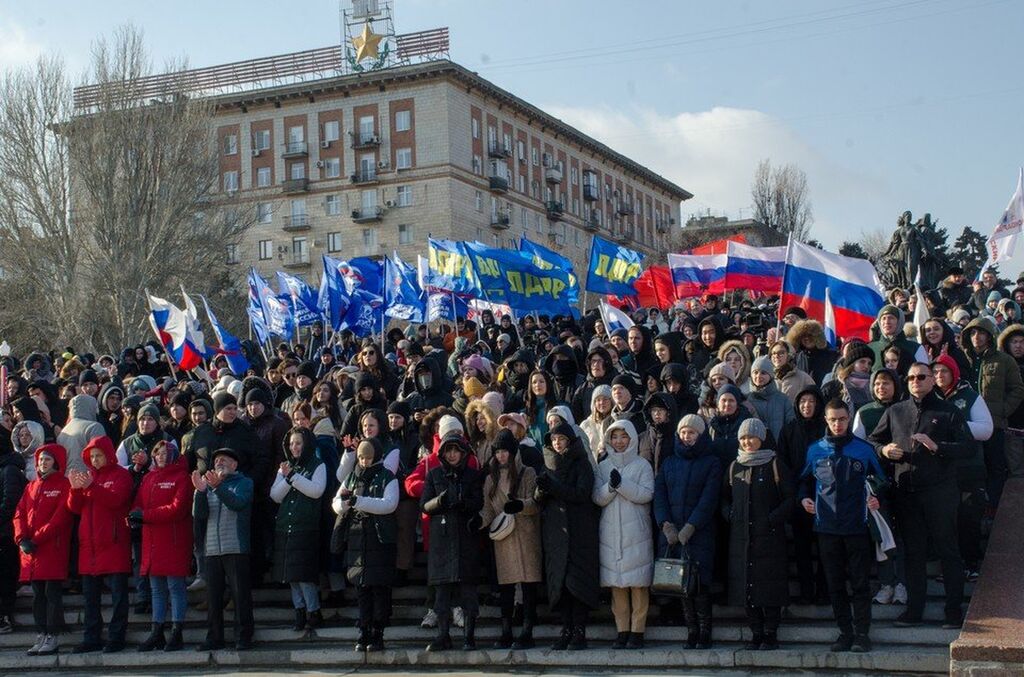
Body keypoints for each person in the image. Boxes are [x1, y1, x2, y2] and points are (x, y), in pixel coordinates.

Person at [869, 362, 973, 629]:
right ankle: (914, 610)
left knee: (948, 551)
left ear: (932, 380)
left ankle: (953, 610)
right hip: (906, 494)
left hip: (940, 493)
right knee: (913, 554)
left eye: (921, 377)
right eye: (911, 377)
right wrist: (884, 450)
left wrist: (938, 447)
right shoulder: (895, 411)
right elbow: (872, 441)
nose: (916, 381)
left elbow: (968, 447)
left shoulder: (948, 411)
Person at [801, 399, 885, 653]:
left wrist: (876, 496)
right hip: (826, 527)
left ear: (849, 419)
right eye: (833, 420)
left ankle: (862, 634)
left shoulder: (864, 449)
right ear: (825, 420)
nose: (838, 424)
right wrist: (803, 498)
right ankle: (844, 632)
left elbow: (881, 480)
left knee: (860, 583)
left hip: (856, 526)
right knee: (834, 584)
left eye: (842, 419)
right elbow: (803, 482)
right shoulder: (815, 450)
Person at [721, 418, 795, 651]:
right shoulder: (735, 466)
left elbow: (790, 498)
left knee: (770, 587)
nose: (747, 442)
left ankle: (770, 632)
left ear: (761, 438)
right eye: (743, 438)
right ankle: (756, 632)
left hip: (769, 537)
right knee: (747, 585)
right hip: (741, 537)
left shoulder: (775, 464)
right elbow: (723, 498)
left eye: (751, 437)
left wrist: (773, 518)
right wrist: (730, 514)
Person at [653, 414, 721, 648]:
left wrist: (691, 526)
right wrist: (666, 525)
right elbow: (659, 496)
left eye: (692, 432)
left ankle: (704, 632)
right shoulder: (669, 462)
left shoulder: (711, 462)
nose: (687, 436)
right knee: (680, 584)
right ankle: (691, 631)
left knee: (699, 585)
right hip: (672, 534)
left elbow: (709, 498)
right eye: (683, 432)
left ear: (700, 435)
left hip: (699, 533)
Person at [536, 422, 599, 650]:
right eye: (554, 440)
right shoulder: (547, 465)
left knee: (577, 584)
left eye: (561, 439)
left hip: (579, 533)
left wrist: (553, 488)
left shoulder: (582, 464)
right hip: (556, 533)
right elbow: (539, 499)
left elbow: (582, 493)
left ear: (570, 441)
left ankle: (579, 631)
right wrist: (541, 489)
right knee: (560, 584)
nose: (557, 443)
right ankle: (566, 630)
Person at [67, 435, 133, 654]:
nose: (95, 460)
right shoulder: (89, 476)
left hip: (113, 543)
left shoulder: (121, 475)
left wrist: (92, 486)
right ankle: (91, 637)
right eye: (92, 456)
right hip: (90, 547)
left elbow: (117, 500)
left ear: (108, 455)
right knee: (90, 599)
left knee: (118, 597)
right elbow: (75, 508)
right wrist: (75, 489)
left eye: (98, 455)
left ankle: (117, 637)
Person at [333, 438, 399, 653]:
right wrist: (345, 504)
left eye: (368, 458)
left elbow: (389, 504)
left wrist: (359, 501)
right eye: (361, 457)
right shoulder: (352, 476)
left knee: (379, 588)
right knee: (361, 588)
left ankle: (378, 631)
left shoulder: (387, 477)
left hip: (379, 538)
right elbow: (336, 503)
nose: (364, 461)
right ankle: (363, 629)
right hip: (357, 537)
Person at [420, 430, 484, 651]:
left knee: (468, 591)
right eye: (448, 450)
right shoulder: (434, 475)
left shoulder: (472, 475)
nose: (452, 455)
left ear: (463, 453)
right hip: (442, 538)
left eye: (456, 450)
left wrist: (464, 503)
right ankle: (443, 635)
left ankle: (469, 636)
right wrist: (441, 501)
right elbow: (424, 505)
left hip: (466, 537)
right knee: (442, 592)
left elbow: (479, 501)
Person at [593, 420, 654, 649]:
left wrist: (622, 485)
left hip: (636, 531)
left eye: (624, 436)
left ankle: (637, 631)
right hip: (610, 532)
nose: (619, 441)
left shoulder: (642, 465)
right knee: (617, 585)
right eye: (615, 437)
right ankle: (622, 631)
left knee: (638, 584)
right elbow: (597, 497)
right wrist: (610, 487)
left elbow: (647, 494)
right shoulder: (603, 466)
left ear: (632, 439)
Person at [479, 429, 542, 649]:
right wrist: (479, 522)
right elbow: (488, 509)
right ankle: (506, 631)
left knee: (528, 585)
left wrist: (520, 505)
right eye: (497, 452)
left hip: (526, 534)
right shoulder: (491, 478)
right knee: (505, 587)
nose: (501, 456)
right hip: (503, 536)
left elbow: (535, 503)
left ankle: (527, 631)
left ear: (513, 451)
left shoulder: (528, 473)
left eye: (504, 451)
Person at [931, 355, 992, 581]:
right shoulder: (929, 397)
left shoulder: (970, 397)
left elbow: (986, 429)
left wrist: (953, 427)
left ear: (954, 373)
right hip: (940, 470)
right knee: (945, 521)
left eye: (944, 371)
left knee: (969, 519)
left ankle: (971, 564)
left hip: (969, 469)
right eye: (935, 372)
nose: (939, 376)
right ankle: (949, 566)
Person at [130, 439, 193, 652]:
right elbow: (138, 503)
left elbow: (177, 509)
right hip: (152, 540)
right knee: (156, 589)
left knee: (175, 587)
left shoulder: (182, 477)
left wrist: (145, 515)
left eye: (166, 453)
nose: (161, 457)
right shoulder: (149, 477)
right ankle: (157, 631)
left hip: (173, 540)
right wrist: (134, 515)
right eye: (158, 453)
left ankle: (177, 632)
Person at [192, 447, 255, 651]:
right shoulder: (209, 485)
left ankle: (243, 636)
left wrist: (218, 487)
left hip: (235, 547)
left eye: (225, 460)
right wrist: (200, 492)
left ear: (234, 465)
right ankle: (214, 637)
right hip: (212, 549)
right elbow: (199, 515)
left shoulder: (244, 483)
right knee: (213, 597)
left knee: (240, 595)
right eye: (217, 460)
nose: (219, 462)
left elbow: (238, 504)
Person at [960, 316, 1024, 511]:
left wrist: (1003, 410)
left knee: (995, 467)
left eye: (981, 332)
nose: (976, 336)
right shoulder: (962, 359)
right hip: (967, 424)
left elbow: (1017, 389)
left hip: (994, 424)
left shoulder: (1005, 360)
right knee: (971, 469)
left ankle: (993, 511)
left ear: (990, 336)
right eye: (972, 332)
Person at [14, 444, 72, 656]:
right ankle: (41, 633)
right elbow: (19, 513)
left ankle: (52, 635)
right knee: (38, 595)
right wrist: (21, 538)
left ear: (55, 462)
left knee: (51, 594)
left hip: (51, 549)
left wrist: (36, 538)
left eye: (47, 459)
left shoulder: (63, 484)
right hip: (31, 551)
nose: (43, 463)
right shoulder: (31, 486)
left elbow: (60, 517)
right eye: (40, 460)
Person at [270, 427, 326, 633]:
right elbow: (275, 495)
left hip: (305, 526)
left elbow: (316, 490)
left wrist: (293, 477)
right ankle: (299, 611)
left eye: (298, 443)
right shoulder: (285, 466)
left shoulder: (317, 464)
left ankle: (313, 611)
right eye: (291, 443)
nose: (294, 447)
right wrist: (288, 478)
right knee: (290, 575)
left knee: (304, 575)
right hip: (286, 526)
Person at [778, 387, 828, 604]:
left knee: (826, 548)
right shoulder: (789, 429)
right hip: (799, 497)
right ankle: (806, 591)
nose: (807, 405)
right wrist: (796, 495)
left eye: (811, 401)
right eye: (802, 401)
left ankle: (823, 591)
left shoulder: (827, 429)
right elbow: (783, 464)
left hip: (825, 496)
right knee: (802, 548)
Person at [0, 427, 28, 635]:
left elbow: (10, 501)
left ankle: (4, 616)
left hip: (6, 534)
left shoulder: (9, 469)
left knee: (6, 577)